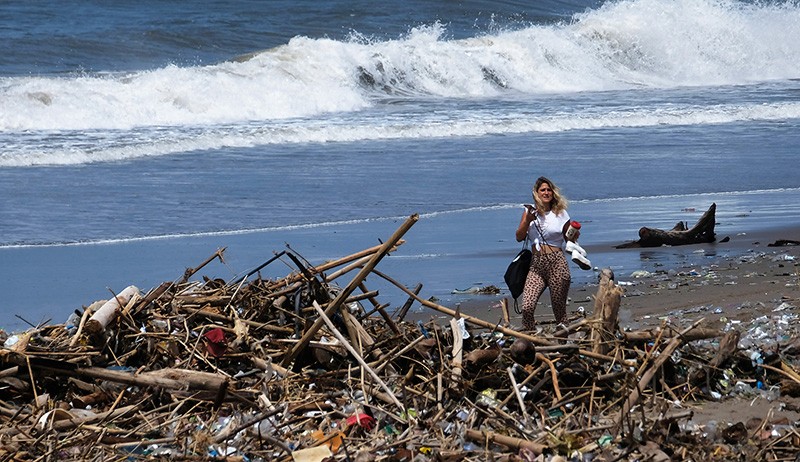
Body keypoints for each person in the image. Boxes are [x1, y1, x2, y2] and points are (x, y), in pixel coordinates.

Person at [514, 176, 577, 331]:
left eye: (549, 190)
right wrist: (528, 220)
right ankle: (529, 340)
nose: (546, 193)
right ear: (536, 192)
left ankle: (563, 344)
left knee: (559, 309)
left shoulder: (561, 213)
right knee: (527, 306)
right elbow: (519, 236)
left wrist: (574, 235)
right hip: (536, 264)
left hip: (557, 262)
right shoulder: (529, 211)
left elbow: (569, 237)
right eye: (543, 190)